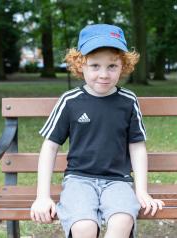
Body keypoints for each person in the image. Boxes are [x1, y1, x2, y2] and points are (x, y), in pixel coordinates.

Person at [30, 24, 165, 238]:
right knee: (84, 227)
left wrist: (141, 191)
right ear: (79, 65)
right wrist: (42, 196)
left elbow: (137, 147)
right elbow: (50, 147)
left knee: (122, 220)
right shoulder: (70, 101)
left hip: (118, 181)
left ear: (124, 66)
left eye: (112, 66)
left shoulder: (128, 101)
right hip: (78, 180)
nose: (103, 74)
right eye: (95, 66)